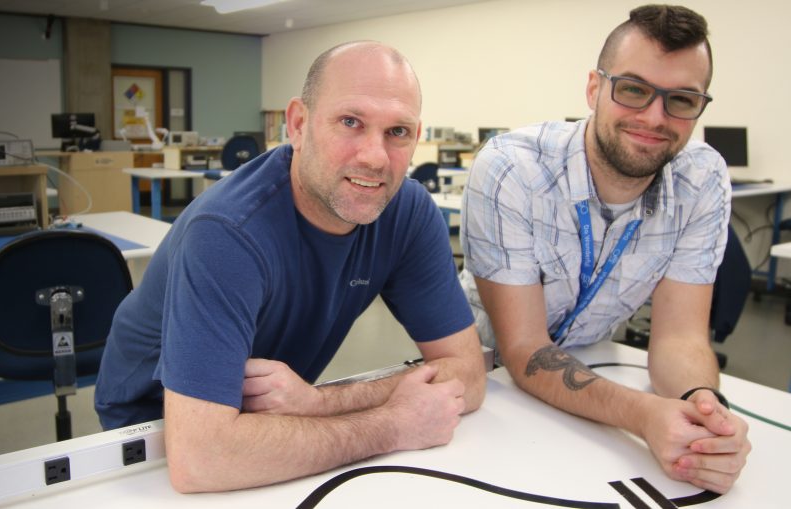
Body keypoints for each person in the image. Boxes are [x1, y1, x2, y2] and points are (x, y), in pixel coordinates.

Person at [95, 41, 486, 493]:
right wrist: (393, 425)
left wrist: (319, 403)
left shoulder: (408, 211)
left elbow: (468, 373)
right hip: (154, 425)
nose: (375, 157)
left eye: (397, 131)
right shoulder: (227, 232)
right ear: (298, 124)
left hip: (273, 411)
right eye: (350, 122)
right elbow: (200, 458)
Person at [459, 4, 750, 495]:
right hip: (487, 378)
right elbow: (525, 349)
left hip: (589, 367)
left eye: (681, 99)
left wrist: (701, 412)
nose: (654, 117)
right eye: (633, 89)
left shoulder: (702, 179)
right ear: (594, 88)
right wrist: (646, 415)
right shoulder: (512, 168)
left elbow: (680, 338)